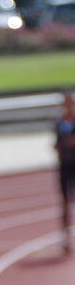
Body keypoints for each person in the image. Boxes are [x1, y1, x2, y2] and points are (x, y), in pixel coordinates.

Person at [56, 92, 75, 256]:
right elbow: (57, 142)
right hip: (64, 166)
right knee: (65, 203)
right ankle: (66, 238)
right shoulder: (60, 122)